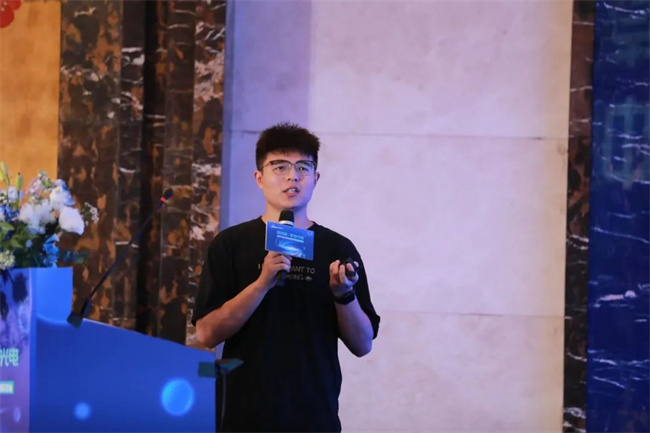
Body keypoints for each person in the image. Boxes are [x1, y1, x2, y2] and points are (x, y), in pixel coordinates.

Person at [192, 122, 380, 432]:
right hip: (242, 416)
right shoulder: (230, 244)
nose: (293, 176)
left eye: (303, 167)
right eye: (280, 167)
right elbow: (207, 334)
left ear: (315, 179)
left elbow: (363, 345)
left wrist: (343, 295)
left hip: (314, 415)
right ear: (259, 178)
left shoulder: (337, 248)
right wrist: (261, 283)